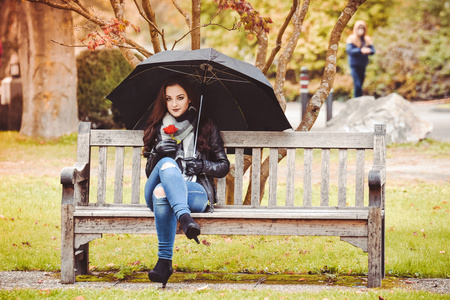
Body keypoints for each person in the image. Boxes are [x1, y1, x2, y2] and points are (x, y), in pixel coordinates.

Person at [142, 75, 230, 288]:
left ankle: (164, 263)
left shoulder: (206, 125)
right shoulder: (157, 126)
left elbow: (223, 166)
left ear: (190, 99)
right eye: (169, 98)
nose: (174, 104)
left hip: (195, 191)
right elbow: (148, 173)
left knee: (162, 192)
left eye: (180, 98)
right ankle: (185, 217)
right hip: (157, 187)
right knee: (167, 167)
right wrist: (156, 154)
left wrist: (200, 166)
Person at [346, 20, 375, 98]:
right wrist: (360, 50)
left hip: (363, 64)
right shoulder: (351, 38)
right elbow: (349, 50)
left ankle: (359, 99)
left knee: (361, 84)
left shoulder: (367, 39)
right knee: (357, 84)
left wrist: (368, 51)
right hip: (354, 64)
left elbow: (373, 51)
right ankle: (356, 100)